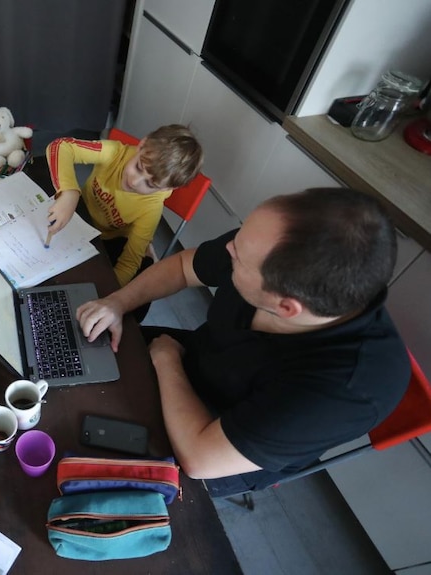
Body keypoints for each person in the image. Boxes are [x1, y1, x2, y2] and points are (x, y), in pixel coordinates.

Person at [75, 188, 411, 496]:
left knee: (86, 466)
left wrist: (166, 361)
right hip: (197, 361)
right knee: (71, 351)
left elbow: (199, 458)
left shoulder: (347, 390)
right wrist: (118, 302)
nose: (228, 248)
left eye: (237, 257)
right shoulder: (271, 246)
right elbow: (182, 266)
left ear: (286, 307)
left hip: (222, 443)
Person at [46, 124, 203, 287]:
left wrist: (105, 294)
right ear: (142, 144)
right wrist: (69, 193)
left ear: (167, 188)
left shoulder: (151, 210)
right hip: (78, 215)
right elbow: (60, 146)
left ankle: (148, 250)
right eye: (138, 167)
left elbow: (128, 264)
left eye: (150, 184)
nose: (134, 182)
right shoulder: (115, 153)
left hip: (105, 240)